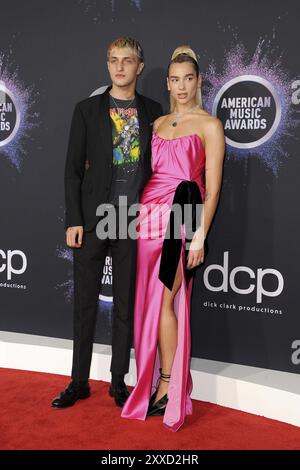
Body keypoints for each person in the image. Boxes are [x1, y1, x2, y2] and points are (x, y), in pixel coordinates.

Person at [51, 37, 163, 409]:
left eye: (127, 60)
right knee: (84, 302)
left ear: (139, 66)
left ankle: (118, 381)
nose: (119, 67)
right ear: (108, 64)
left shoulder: (153, 110)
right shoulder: (86, 110)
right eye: (113, 60)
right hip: (95, 217)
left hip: (133, 219)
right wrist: (74, 220)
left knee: (125, 304)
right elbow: (71, 171)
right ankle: (79, 381)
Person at [121, 45, 225, 431]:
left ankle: (168, 386)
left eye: (189, 79)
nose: (182, 86)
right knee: (150, 304)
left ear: (198, 81)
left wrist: (199, 238)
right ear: (167, 82)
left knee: (167, 299)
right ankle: (155, 381)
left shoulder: (210, 126)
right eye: (175, 80)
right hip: (148, 216)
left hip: (181, 219)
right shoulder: (157, 124)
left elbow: (212, 189)